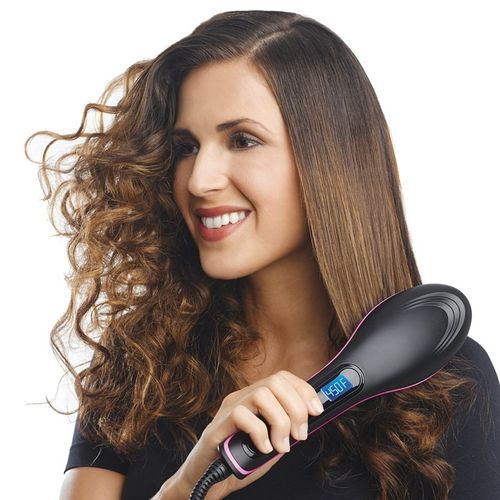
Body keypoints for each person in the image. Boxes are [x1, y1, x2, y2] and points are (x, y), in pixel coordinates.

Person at [25, 10, 500, 500]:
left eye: (242, 140)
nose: (199, 179)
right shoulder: (141, 360)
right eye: (186, 146)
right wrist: (188, 487)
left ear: (327, 161)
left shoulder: (445, 384)